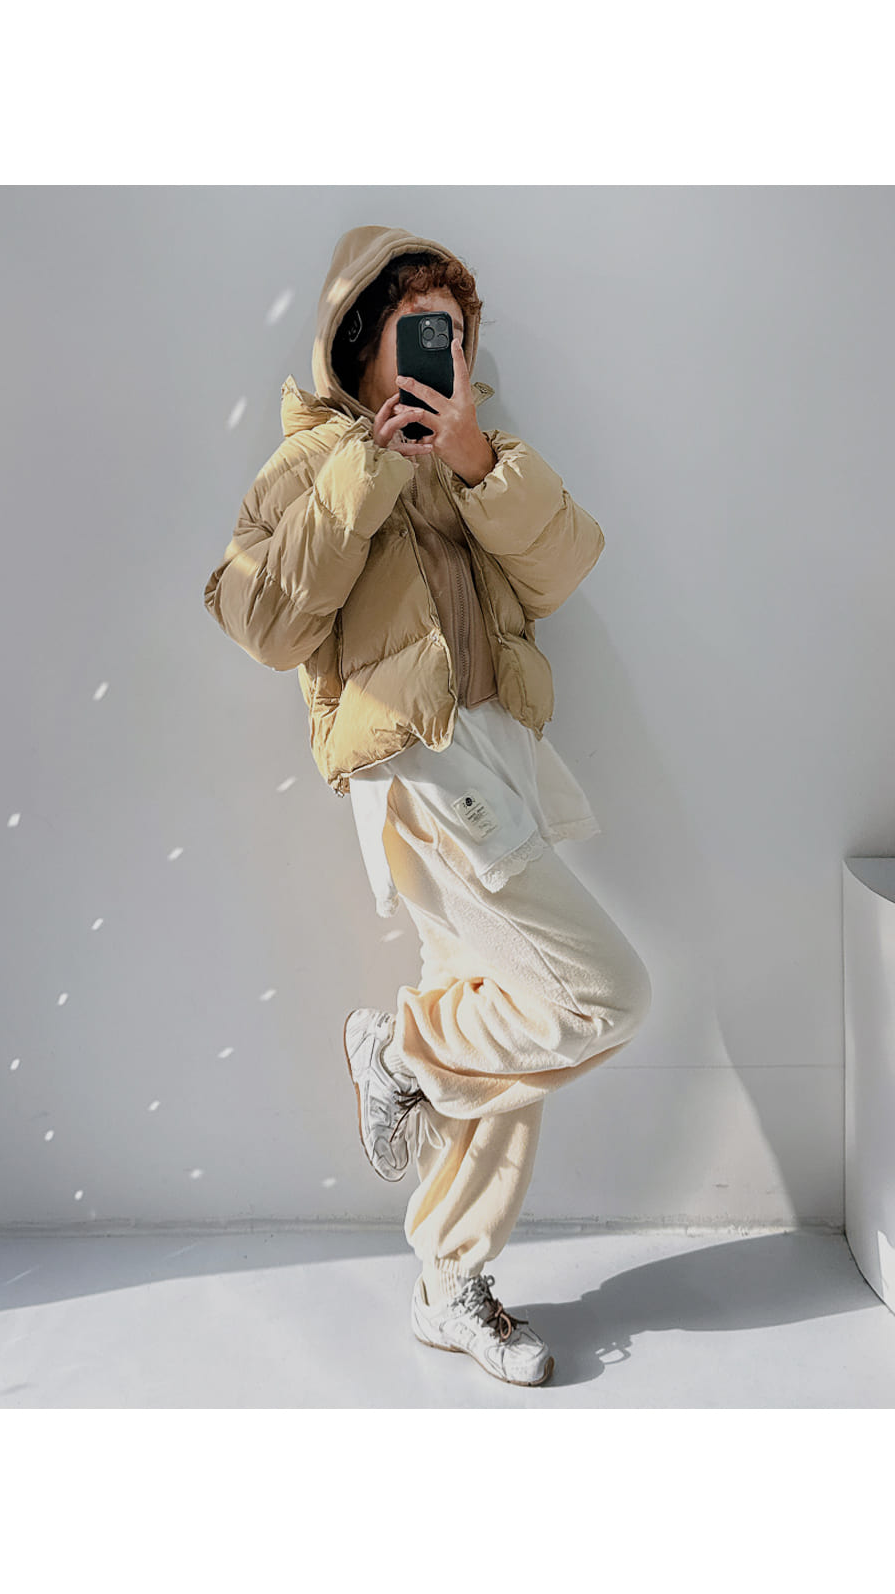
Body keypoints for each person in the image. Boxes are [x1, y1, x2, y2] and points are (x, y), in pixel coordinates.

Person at [205, 222, 651, 1391]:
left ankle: (450, 1277)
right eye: (415, 329)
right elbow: (263, 622)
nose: (438, 351)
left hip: (501, 754)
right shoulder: (310, 462)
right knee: (603, 993)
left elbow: (562, 568)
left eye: (452, 333)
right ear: (358, 338)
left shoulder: (477, 452)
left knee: (505, 1022)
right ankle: (397, 1048)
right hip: (422, 765)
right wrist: (367, 468)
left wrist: (473, 459)